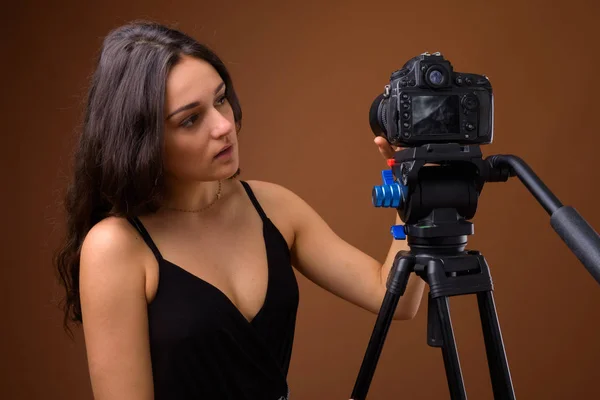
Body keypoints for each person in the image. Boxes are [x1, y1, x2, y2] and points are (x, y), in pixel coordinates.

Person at [53, 20, 426, 400]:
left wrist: (413, 186)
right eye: (190, 119)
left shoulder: (273, 207)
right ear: (142, 140)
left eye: (220, 99)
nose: (223, 125)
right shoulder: (116, 246)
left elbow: (394, 298)